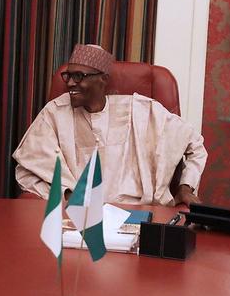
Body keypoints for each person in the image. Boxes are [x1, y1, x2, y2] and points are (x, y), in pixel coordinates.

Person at [13, 44, 207, 206]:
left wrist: (185, 187)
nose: (70, 83)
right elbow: (30, 164)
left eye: (79, 76)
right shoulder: (55, 112)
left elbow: (195, 145)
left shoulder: (141, 110)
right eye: (68, 76)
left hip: (137, 212)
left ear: (103, 79)